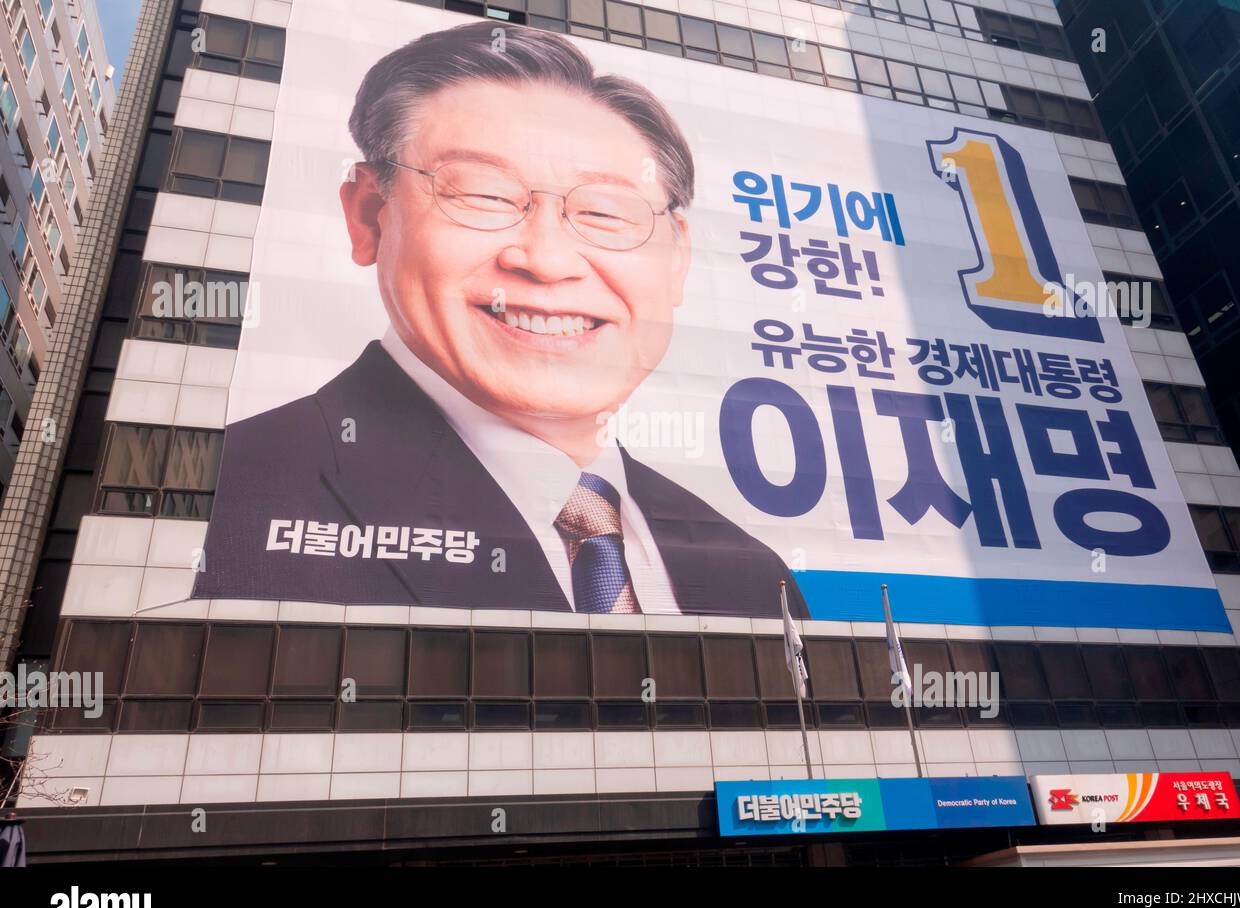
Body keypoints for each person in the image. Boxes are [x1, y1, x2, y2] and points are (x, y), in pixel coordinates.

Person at [195, 21, 806, 618]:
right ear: (370, 214)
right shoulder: (233, 496)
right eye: (484, 194)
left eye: (605, 212)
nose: (546, 260)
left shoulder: (751, 572)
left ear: (677, 257)